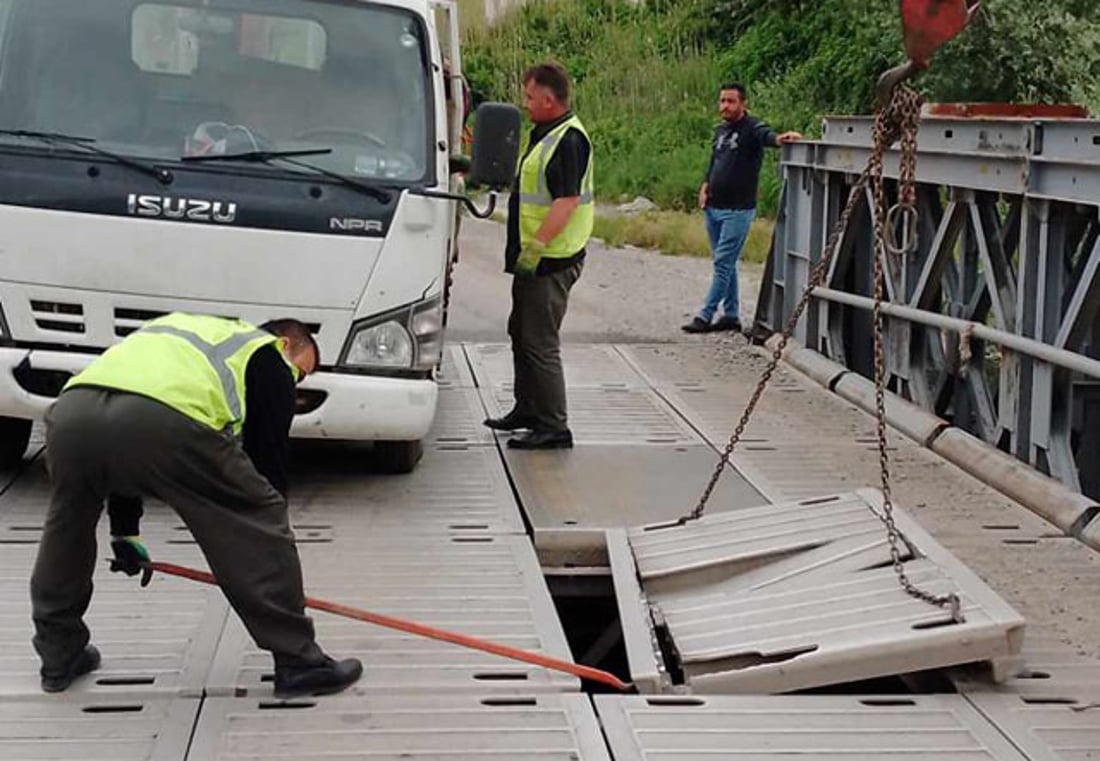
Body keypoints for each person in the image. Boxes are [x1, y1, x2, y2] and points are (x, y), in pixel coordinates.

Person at [29, 313, 363, 699]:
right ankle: (298, 661)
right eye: (301, 374)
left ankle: (59, 655)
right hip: (167, 424)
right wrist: (271, 532)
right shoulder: (267, 353)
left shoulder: (177, 331)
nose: (297, 384)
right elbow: (267, 463)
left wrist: (125, 531)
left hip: (73, 414)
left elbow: (124, 426)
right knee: (260, 512)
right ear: (286, 344)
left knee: (66, 527)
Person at [483, 62, 592, 450]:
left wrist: (537, 245)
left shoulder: (569, 140)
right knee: (521, 333)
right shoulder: (545, 133)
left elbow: (566, 200)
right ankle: (527, 409)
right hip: (535, 259)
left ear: (548, 99)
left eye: (529, 97)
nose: (524, 103)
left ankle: (554, 425)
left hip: (551, 260)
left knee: (540, 341)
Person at [683, 82, 801, 334]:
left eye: (731, 101)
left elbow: (766, 136)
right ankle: (731, 314)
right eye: (722, 101)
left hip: (737, 210)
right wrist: (705, 184)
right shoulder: (720, 131)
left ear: (743, 103)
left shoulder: (751, 128)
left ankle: (705, 315)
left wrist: (780, 139)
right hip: (714, 206)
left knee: (723, 263)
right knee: (725, 263)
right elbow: (714, 161)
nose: (725, 106)